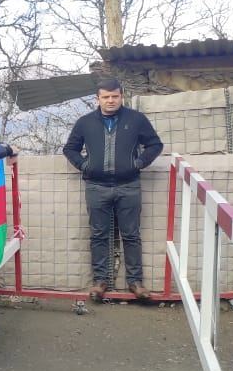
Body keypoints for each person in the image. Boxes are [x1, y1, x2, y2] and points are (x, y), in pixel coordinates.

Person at [63, 79, 163, 301]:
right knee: (98, 235)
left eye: (115, 96)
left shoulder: (136, 119)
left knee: (131, 235)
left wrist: (138, 163)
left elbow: (155, 145)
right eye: (106, 97)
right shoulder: (85, 122)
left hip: (129, 185)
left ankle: (135, 283)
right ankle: (100, 282)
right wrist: (85, 165)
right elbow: (70, 149)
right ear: (97, 98)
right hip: (96, 186)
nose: (110, 100)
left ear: (121, 96)